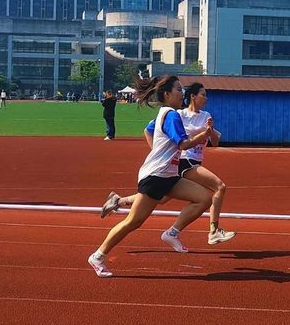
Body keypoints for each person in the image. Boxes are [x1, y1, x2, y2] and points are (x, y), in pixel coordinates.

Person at [88, 75, 213, 277]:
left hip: (169, 176)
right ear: (167, 94)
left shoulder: (168, 114)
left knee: (204, 198)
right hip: (156, 176)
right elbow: (183, 144)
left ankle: (171, 233)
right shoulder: (171, 115)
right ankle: (98, 255)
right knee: (133, 221)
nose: (182, 93)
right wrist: (203, 135)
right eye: (178, 90)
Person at [101, 82, 235, 245]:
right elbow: (148, 130)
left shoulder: (206, 116)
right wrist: (157, 150)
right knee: (219, 186)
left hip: (190, 162)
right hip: (184, 161)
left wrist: (210, 130)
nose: (206, 98)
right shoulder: (178, 114)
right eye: (203, 95)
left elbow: (215, 142)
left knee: (161, 197)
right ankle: (213, 230)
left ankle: (118, 201)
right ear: (193, 96)